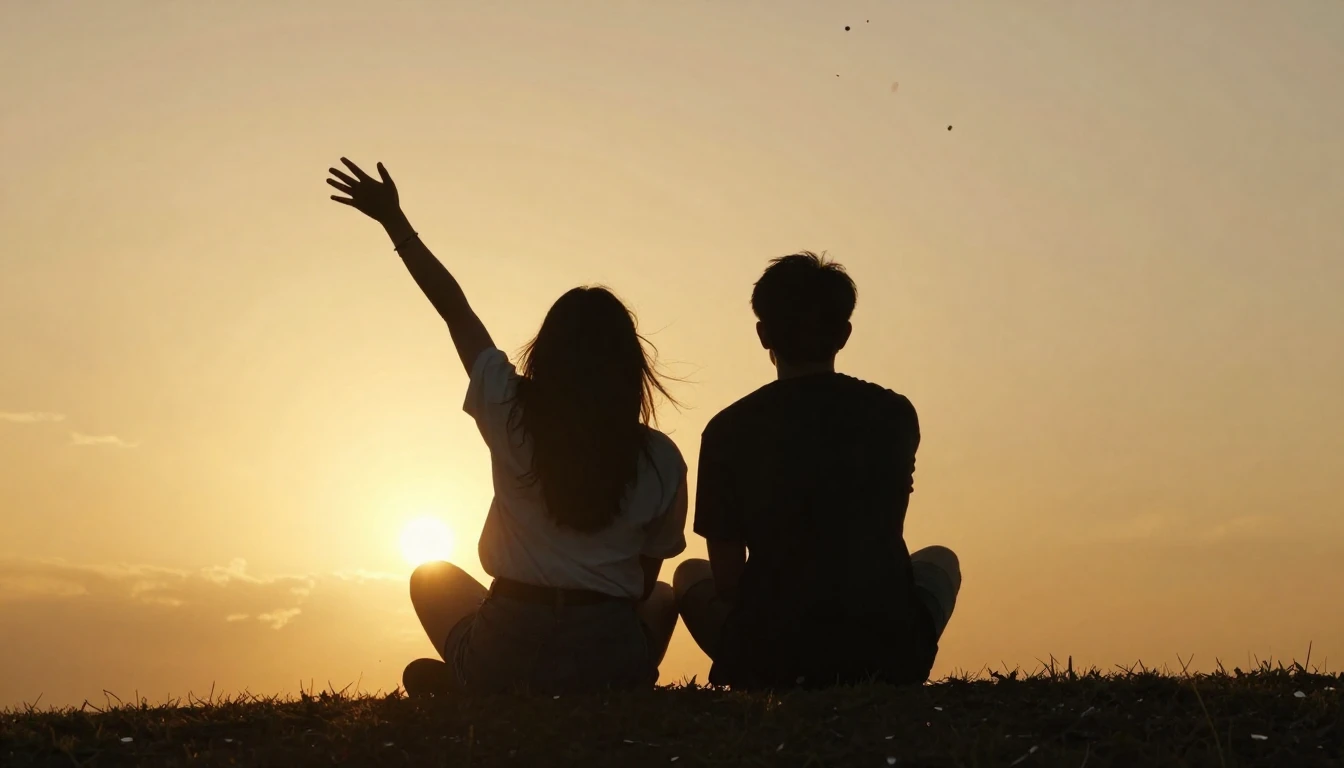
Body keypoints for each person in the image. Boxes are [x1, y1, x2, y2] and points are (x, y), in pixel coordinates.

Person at [326, 158, 687, 695]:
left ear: (547, 355)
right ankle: (605, 688)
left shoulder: (510, 409)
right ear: (630, 369)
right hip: (607, 654)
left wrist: (395, 224)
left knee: (431, 577)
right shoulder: (661, 457)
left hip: (510, 642)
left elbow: (457, 313)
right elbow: (643, 584)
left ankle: (471, 684)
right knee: (661, 602)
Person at [673, 252, 961, 689]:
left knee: (688, 574)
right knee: (941, 560)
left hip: (769, 656)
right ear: (843, 335)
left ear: (763, 333)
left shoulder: (728, 429)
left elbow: (728, 580)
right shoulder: (894, 415)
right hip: (886, 648)